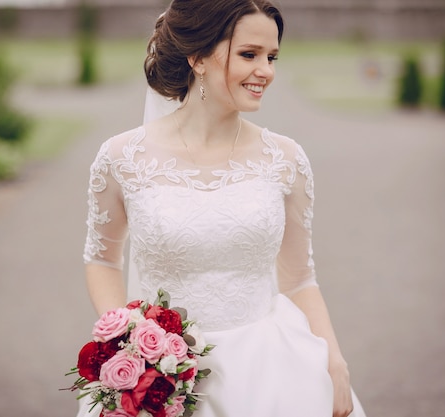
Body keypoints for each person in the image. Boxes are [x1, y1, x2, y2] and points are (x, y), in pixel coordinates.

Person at [80, 1, 366, 416]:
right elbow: (102, 259)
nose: (266, 71)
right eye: (249, 54)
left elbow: (300, 277)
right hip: (158, 382)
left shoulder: (285, 160)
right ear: (197, 57)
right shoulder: (121, 158)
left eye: (272, 57)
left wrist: (335, 363)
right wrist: (131, 344)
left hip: (270, 373)